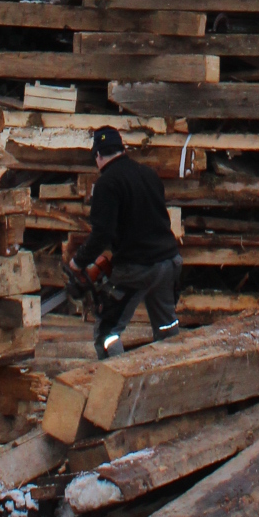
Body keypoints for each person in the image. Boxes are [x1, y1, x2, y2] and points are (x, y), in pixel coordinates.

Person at [66, 126, 183, 359]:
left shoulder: (107, 184)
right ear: (122, 149)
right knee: (167, 328)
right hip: (169, 262)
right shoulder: (148, 174)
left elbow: (102, 234)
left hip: (137, 269)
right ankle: (175, 369)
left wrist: (78, 262)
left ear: (98, 155)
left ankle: (118, 374)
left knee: (107, 333)